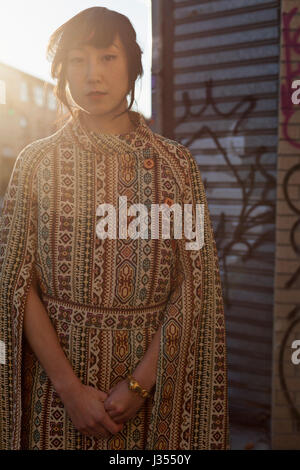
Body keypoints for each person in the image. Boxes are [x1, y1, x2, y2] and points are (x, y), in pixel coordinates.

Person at [0, 7, 230, 450]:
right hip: (56, 394)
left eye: (107, 57)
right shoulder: (36, 164)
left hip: (153, 396)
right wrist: (70, 389)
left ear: (133, 65)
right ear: (62, 70)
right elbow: (15, 282)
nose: (93, 76)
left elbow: (194, 283)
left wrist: (138, 386)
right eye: (78, 60)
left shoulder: (177, 166)